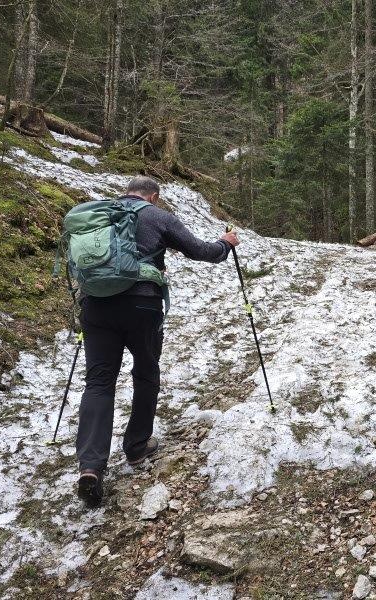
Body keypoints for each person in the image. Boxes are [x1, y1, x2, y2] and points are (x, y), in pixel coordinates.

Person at [74, 176, 240, 506]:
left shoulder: (100, 213)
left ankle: (91, 467)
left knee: (98, 382)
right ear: (154, 196)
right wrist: (226, 243)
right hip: (142, 303)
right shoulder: (157, 215)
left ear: (127, 192)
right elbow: (201, 252)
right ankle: (136, 447)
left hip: (96, 305)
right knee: (146, 372)